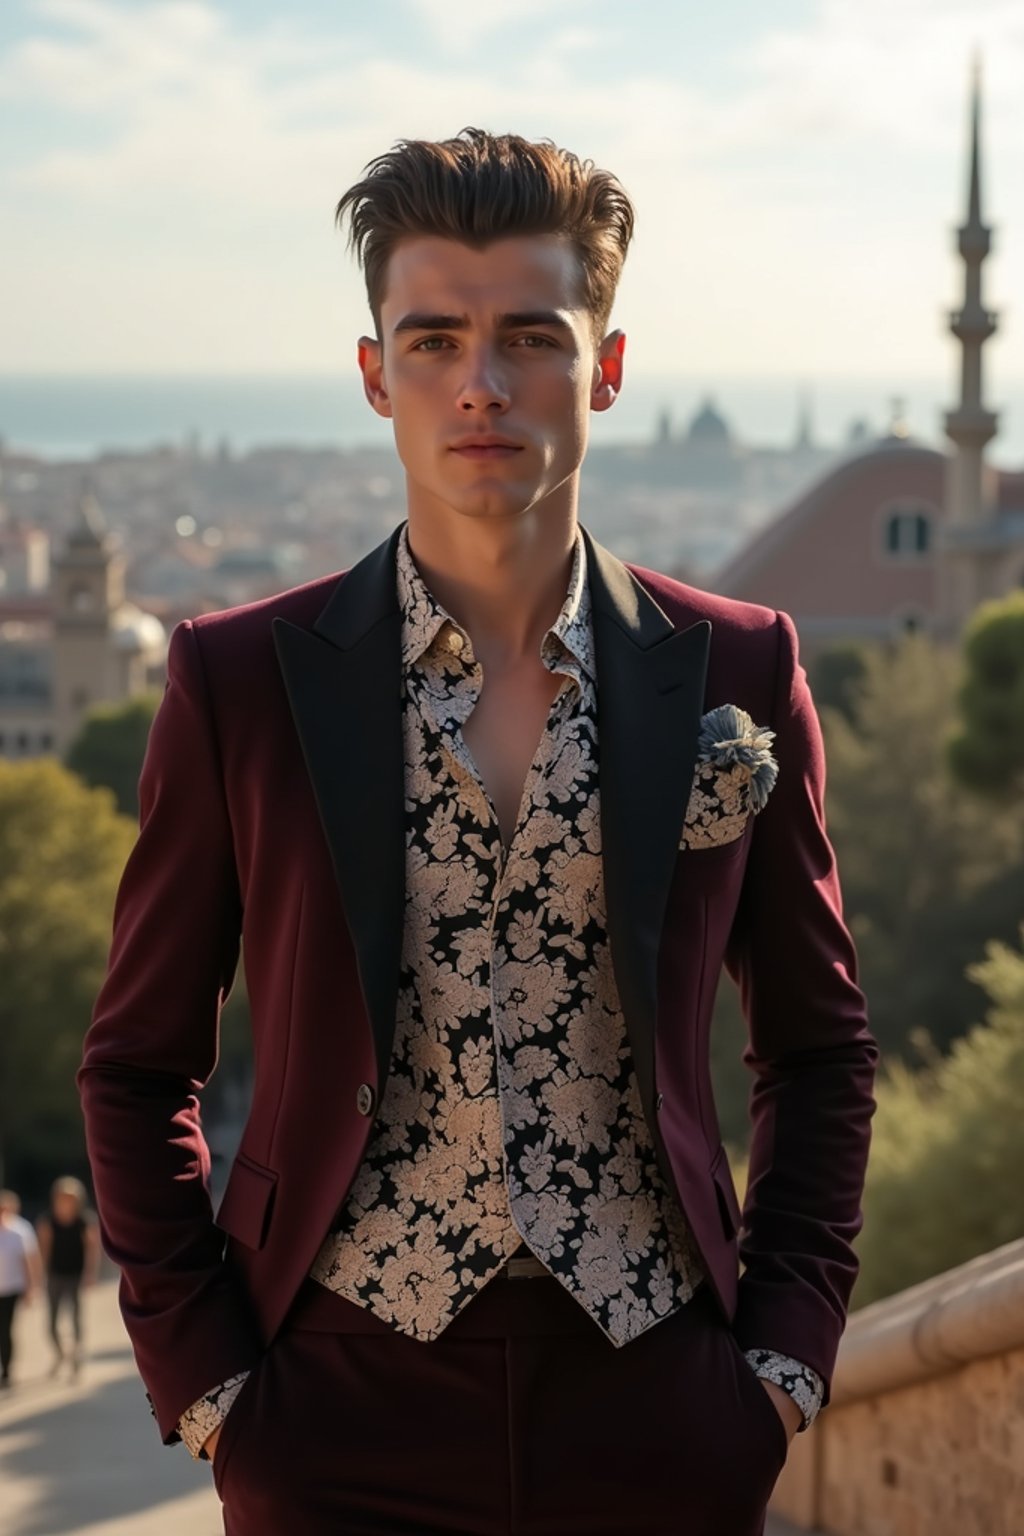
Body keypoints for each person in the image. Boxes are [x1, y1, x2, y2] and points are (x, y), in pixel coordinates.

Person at [79, 128, 878, 1535]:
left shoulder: (738, 668)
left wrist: (779, 1367)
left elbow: (818, 1048)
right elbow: (138, 1064)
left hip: (663, 1403)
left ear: (608, 369)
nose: (483, 385)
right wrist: (213, 1388)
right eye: (435, 338)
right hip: (334, 1411)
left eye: (532, 336)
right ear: (377, 373)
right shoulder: (241, 679)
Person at [36, 1176, 100, 1379]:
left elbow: (92, 1249)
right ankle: (60, 1354)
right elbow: (44, 1249)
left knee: (76, 1317)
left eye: (70, 1198)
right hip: (55, 1274)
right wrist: (41, 1276)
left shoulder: (85, 1220)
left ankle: (76, 1356)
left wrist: (90, 1274)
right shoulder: (47, 1220)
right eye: (62, 1198)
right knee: (52, 1322)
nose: (66, 1202)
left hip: (75, 1274)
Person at [0, 1189, 43, 1388]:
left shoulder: (20, 1230)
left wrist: (32, 1287)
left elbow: (30, 1260)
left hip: (11, 1288)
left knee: (6, 1329)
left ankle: (7, 1369)